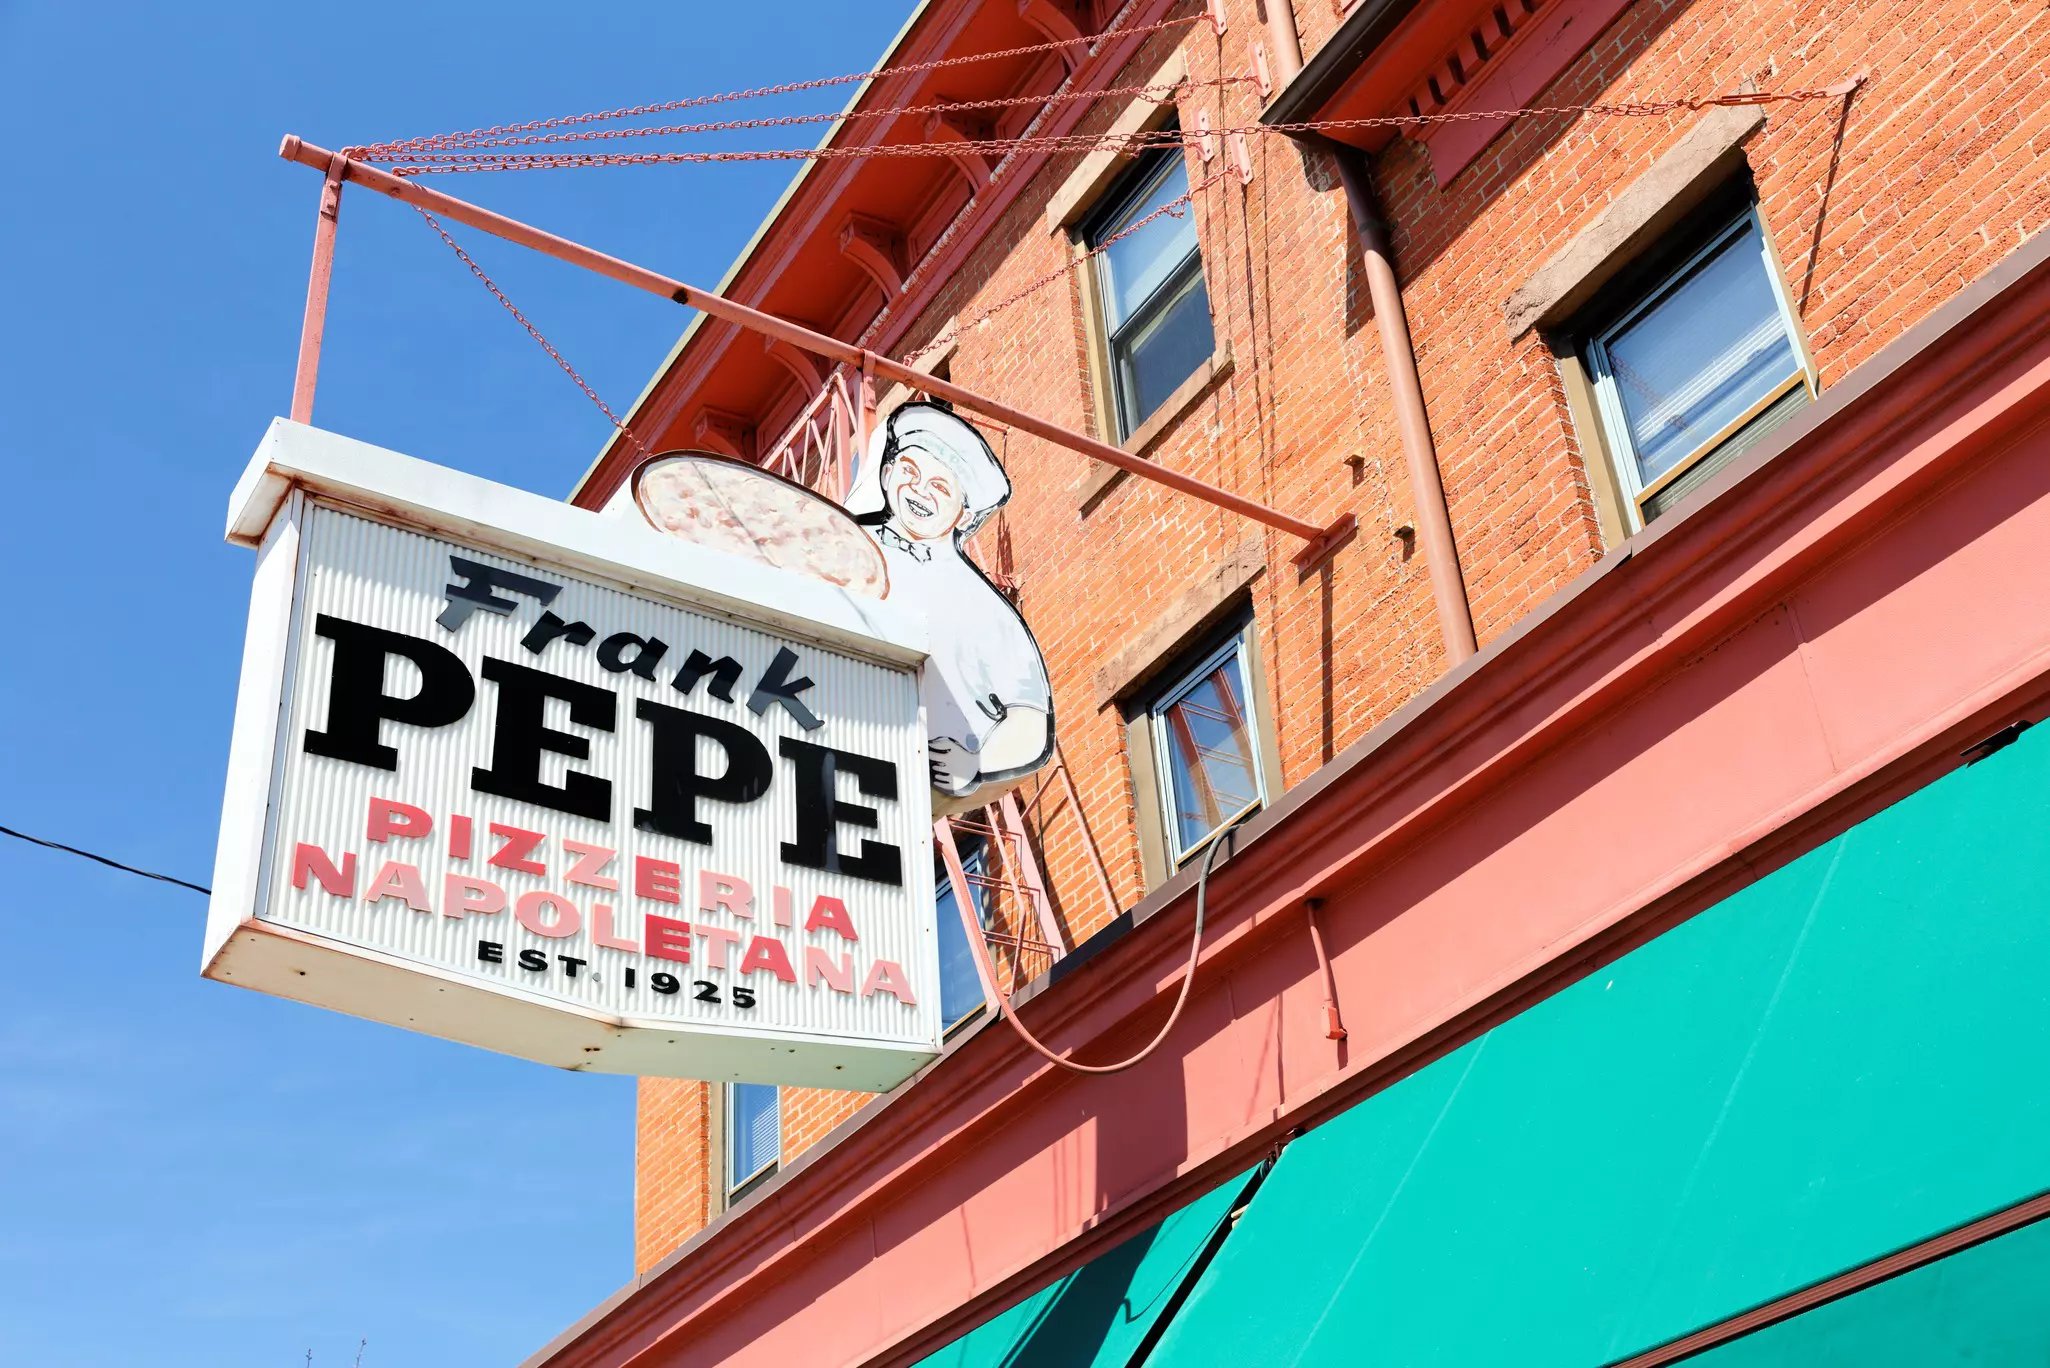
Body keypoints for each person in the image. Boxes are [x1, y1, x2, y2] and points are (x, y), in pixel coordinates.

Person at [850, 401, 1054, 812]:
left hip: (905, 776)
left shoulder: (981, 603)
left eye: (941, 487)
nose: (919, 491)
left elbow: (1031, 717)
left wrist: (976, 762)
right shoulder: (845, 543)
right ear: (887, 474)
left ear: (964, 515)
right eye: (909, 472)